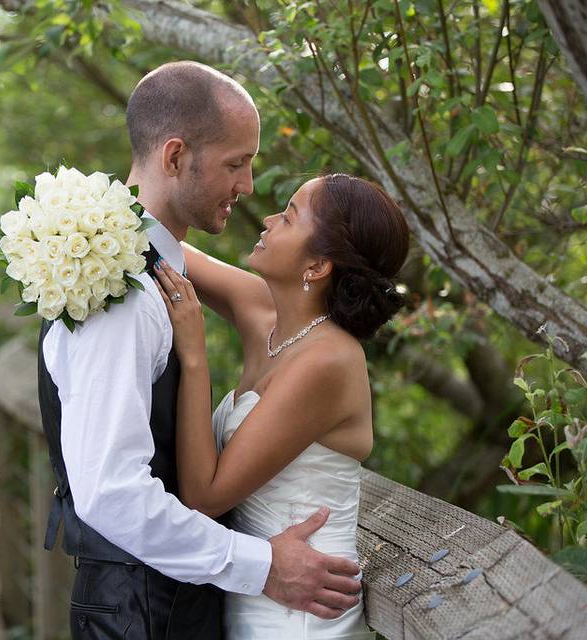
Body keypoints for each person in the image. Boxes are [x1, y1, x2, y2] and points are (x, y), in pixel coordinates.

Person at [36, 61, 362, 640]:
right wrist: (261, 566)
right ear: (175, 157)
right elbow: (110, 493)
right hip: (140, 611)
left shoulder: (141, 264)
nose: (249, 187)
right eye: (236, 163)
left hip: (170, 601)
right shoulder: (123, 295)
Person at [151, 173, 410, 638]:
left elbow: (203, 497)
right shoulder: (265, 313)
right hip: (257, 589)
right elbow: (158, 242)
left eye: (288, 216)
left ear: (317, 265)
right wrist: (80, 210)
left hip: (301, 615)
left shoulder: (329, 360)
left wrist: (194, 355)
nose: (268, 220)